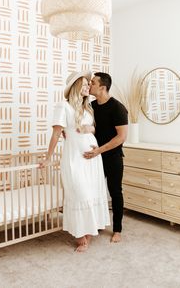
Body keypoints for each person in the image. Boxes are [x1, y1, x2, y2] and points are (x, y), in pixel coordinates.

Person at [41, 70, 110, 252]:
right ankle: (80, 236)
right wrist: (48, 157)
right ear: (76, 86)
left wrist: (90, 129)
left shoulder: (88, 107)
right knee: (79, 194)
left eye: (90, 83)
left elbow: (94, 129)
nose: (89, 86)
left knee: (92, 192)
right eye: (86, 83)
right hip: (74, 157)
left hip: (93, 158)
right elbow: (56, 133)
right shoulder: (63, 107)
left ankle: (88, 232)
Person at [84, 72, 128, 243]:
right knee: (93, 190)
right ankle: (97, 222)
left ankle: (117, 229)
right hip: (96, 156)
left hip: (112, 157)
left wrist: (99, 150)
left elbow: (121, 137)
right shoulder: (91, 106)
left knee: (115, 191)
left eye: (92, 83)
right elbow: (93, 128)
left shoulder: (118, 108)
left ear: (102, 87)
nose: (89, 85)